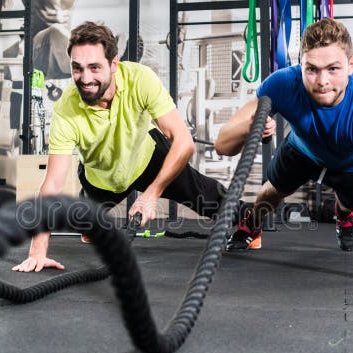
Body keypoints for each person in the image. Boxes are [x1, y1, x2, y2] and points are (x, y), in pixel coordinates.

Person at [215, 18, 353, 290]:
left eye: (333, 69)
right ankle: (251, 227)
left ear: (352, 65)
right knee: (269, 193)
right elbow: (223, 145)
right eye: (312, 70)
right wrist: (249, 128)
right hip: (303, 150)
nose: (322, 81)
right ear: (300, 65)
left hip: (351, 165)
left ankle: (344, 213)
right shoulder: (282, 84)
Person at [12, 21, 225, 273]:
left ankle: (248, 224)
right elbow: (53, 183)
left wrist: (151, 194)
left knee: (217, 201)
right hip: (101, 177)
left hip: (147, 159)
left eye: (94, 67)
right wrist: (37, 252)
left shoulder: (140, 79)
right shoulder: (65, 111)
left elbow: (184, 142)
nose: (85, 78)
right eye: (77, 68)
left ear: (114, 64)